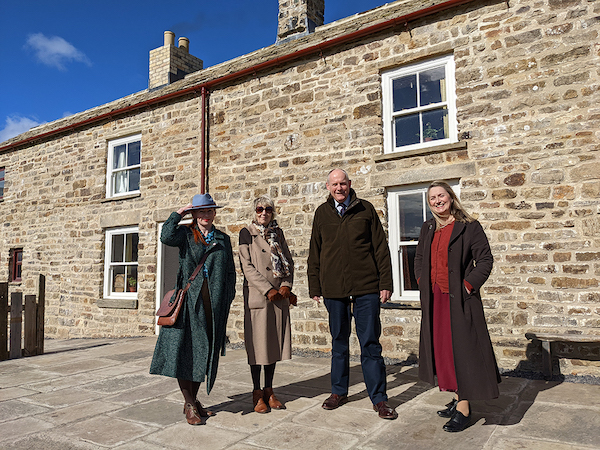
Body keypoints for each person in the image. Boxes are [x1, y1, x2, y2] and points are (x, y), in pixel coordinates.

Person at [307, 168, 397, 420]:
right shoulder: (321, 213)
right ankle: (339, 392)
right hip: (333, 289)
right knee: (339, 342)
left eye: (343, 184)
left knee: (370, 343)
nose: (339, 188)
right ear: (328, 187)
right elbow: (315, 251)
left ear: (349, 184)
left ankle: (379, 399)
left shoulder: (365, 209)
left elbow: (380, 248)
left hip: (366, 287)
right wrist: (315, 286)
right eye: (334, 184)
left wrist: (386, 282)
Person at [414, 180, 500, 432]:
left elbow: (485, 260)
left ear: (450, 197)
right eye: (432, 198)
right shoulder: (427, 227)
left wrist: (467, 286)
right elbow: (419, 258)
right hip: (435, 298)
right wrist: (421, 281)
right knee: (443, 351)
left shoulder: (469, 227)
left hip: (460, 300)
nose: (437, 201)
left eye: (441, 196)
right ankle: (455, 395)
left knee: (462, 351)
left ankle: (464, 407)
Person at [150, 193, 236, 425]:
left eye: (209, 211)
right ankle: (189, 403)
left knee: (203, 353)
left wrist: (227, 298)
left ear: (214, 213)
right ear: (195, 215)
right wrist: (179, 212)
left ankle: (195, 400)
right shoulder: (186, 235)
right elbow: (165, 236)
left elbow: (230, 272)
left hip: (213, 305)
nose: (206, 215)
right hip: (188, 304)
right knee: (183, 352)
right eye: (201, 211)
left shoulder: (223, 239)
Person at [238, 196, 297, 413]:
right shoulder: (246, 233)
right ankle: (257, 394)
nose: (264, 213)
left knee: (272, 345)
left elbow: (288, 261)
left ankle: (269, 391)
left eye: (268, 209)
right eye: (260, 209)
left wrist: (286, 285)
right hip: (258, 295)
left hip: (278, 297)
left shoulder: (278, 233)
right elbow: (247, 266)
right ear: (254, 211)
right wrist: (268, 289)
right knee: (257, 346)